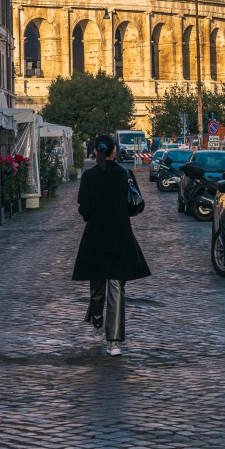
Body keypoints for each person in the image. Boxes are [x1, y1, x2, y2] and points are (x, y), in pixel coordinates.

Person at [71, 133, 151, 356]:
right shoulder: (124, 173)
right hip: (120, 234)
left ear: (95, 151)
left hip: (95, 235)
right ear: (114, 151)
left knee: (96, 285)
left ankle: (97, 324)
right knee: (117, 287)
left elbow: (84, 210)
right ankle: (114, 341)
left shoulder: (88, 176)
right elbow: (136, 205)